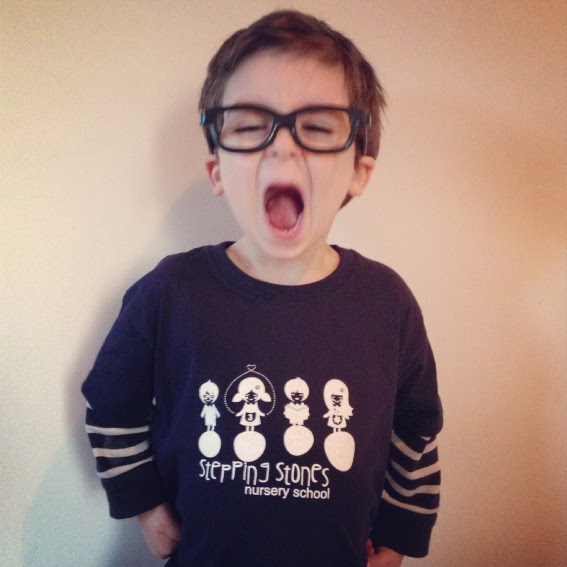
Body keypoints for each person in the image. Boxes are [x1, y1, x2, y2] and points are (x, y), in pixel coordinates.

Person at [82, 10, 442, 567]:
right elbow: (110, 405)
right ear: (217, 171)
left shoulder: (387, 303)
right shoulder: (170, 293)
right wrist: (146, 506)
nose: (282, 147)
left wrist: (397, 539)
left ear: (358, 172)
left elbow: (417, 433)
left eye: (317, 127)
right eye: (250, 126)